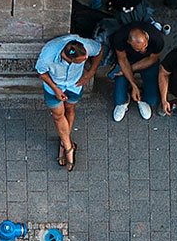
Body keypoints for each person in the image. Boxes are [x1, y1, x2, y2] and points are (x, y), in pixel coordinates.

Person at [35, 33, 101, 171]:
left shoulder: (84, 45)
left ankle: (64, 143)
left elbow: (100, 50)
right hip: (54, 86)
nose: (84, 61)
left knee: (70, 109)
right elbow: (42, 73)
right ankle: (69, 148)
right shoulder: (48, 55)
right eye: (80, 62)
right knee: (58, 115)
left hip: (74, 85)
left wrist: (90, 73)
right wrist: (56, 89)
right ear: (69, 59)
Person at [106, 23, 163, 123]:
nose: (143, 50)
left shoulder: (157, 39)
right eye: (138, 49)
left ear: (146, 36)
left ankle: (141, 98)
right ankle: (126, 99)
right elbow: (123, 60)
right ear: (128, 42)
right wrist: (133, 85)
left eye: (145, 45)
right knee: (119, 99)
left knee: (152, 99)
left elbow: (153, 59)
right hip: (127, 61)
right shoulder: (119, 38)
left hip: (147, 62)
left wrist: (129, 70)